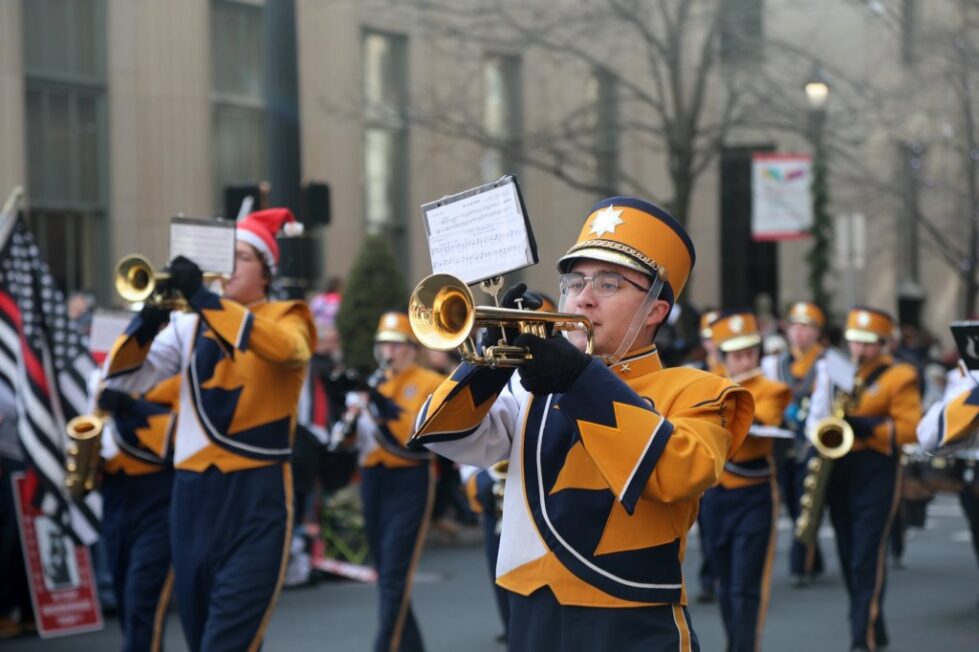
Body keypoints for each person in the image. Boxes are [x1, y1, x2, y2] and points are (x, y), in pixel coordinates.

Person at [410, 197, 754, 651]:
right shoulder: (531, 385)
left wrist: (579, 379)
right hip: (532, 614)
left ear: (655, 309)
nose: (583, 297)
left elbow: (677, 473)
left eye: (609, 283)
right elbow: (442, 435)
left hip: (632, 622)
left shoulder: (700, 391)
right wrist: (489, 364)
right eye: (574, 282)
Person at [104, 208, 315, 652]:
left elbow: (288, 350)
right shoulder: (188, 324)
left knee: (227, 639)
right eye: (226, 256)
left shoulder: (287, 314)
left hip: (256, 491)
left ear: (266, 271)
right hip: (191, 494)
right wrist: (147, 320)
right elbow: (123, 379)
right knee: (202, 636)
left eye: (243, 256)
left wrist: (203, 297)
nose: (230, 266)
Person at [806, 307, 922, 652]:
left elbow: (909, 429)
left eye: (869, 344)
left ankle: (863, 637)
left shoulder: (899, 376)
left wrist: (867, 427)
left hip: (877, 469)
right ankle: (872, 623)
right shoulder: (836, 371)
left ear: (883, 344)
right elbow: (819, 413)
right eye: (855, 342)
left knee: (866, 556)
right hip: (840, 468)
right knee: (846, 552)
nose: (860, 351)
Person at [334, 312, 444, 652]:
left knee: (396, 568)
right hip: (373, 478)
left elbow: (416, 436)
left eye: (396, 345)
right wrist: (349, 425)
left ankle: (385, 646)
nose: (388, 352)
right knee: (386, 569)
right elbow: (350, 444)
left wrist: (381, 408)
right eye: (383, 344)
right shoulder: (373, 382)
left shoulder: (428, 381)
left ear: (412, 348)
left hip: (409, 478)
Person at [700, 311, 790, 652]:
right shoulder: (707, 385)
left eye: (750, 352)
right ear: (723, 357)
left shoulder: (772, 388)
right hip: (714, 495)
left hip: (754, 494)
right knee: (724, 583)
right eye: (736, 354)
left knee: (745, 585)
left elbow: (763, 420)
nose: (744, 359)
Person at [92, 375, 180, 652]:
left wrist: (131, 406)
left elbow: (188, 431)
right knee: (124, 597)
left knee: (142, 597)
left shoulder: (175, 366)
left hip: (159, 495)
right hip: (115, 495)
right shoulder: (103, 376)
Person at [761, 301, 827, 585]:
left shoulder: (825, 362)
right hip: (782, 440)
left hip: (813, 440)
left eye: (807, 327)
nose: (799, 333)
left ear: (816, 332)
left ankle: (802, 564)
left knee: (807, 500)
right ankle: (814, 556)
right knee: (789, 499)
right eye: (795, 326)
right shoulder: (774, 363)